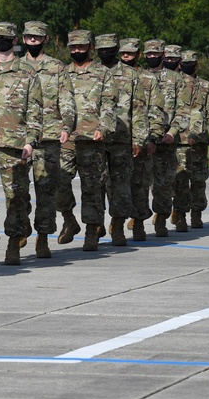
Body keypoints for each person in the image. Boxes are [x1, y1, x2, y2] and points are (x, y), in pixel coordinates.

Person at [0, 22, 42, 266]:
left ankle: (13, 243)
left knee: (16, 195)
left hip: (15, 142)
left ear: (14, 40)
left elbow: (35, 110)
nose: (1, 41)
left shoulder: (27, 72)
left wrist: (31, 141)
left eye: (6, 37)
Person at [56, 30, 116, 252]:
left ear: (89, 47)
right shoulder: (62, 73)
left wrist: (103, 127)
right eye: (73, 47)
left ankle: (92, 231)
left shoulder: (102, 74)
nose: (77, 51)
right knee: (58, 182)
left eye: (81, 47)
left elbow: (109, 104)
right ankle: (69, 219)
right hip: (66, 139)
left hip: (92, 139)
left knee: (92, 188)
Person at [18, 21, 74, 259]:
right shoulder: (14, 66)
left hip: (48, 136)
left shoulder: (56, 67)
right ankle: (20, 229)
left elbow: (67, 98)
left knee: (46, 191)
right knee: (18, 190)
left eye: (37, 37)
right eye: (29, 37)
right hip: (19, 137)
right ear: (23, 39)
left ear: (45, 39)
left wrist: (67, 125)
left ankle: (42, 238)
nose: (33, 40)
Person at [96, 33, 147, 246]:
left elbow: (139, 109)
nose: (105, 52)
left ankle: (117, 227)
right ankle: (95, 223)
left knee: (121, 185)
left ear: (116, 49)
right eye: (102, 49)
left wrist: (139, 138)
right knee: (95, 184)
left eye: (110, 49)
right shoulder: (91, 73)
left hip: (122, 138)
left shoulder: (130, 75)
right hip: (93, 140)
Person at [119, 38, 166, 241]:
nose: (126, 56)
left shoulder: (148, 78)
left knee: (140, 185)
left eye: (130, 53)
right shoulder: (111, 75)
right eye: (123, 53)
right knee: (116, 186)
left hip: (142, 138)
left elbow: (156, 111)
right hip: (117, 141)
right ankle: (117, 223)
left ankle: (138, 223)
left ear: (138, 54)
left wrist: (153, 138)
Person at [143, 39, 190, 237]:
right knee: (139, 183)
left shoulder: (176, 79)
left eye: (156, 53)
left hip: (166, 141)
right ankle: (135, 219)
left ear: (163, 54)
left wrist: (173, 131)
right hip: (141, 140)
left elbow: (183, 109)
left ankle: (161, 219)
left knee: (163, 184)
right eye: (149, 54)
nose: (152, 57)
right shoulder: (138, 77)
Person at [181, 50, 209, 229]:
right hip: (179, 140)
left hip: (199, 140)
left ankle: (196, 214)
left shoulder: (205, 86)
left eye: (192, 62)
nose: (189, 65)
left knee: (198, 179)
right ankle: (180, 215)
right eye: (185, 62)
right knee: (180, 179)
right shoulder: (174, 84)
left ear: (197, 65)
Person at [166, 45, 198, 233]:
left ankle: (181, 214)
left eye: (173, 58)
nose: (170, 61)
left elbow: (193, 111)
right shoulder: (155, 78)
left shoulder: (188, 83)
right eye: (167, 57)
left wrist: (192, 133)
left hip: (182, 138)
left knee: (181, 179)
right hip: (161, 138)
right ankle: (162, 210)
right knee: (159, 180)